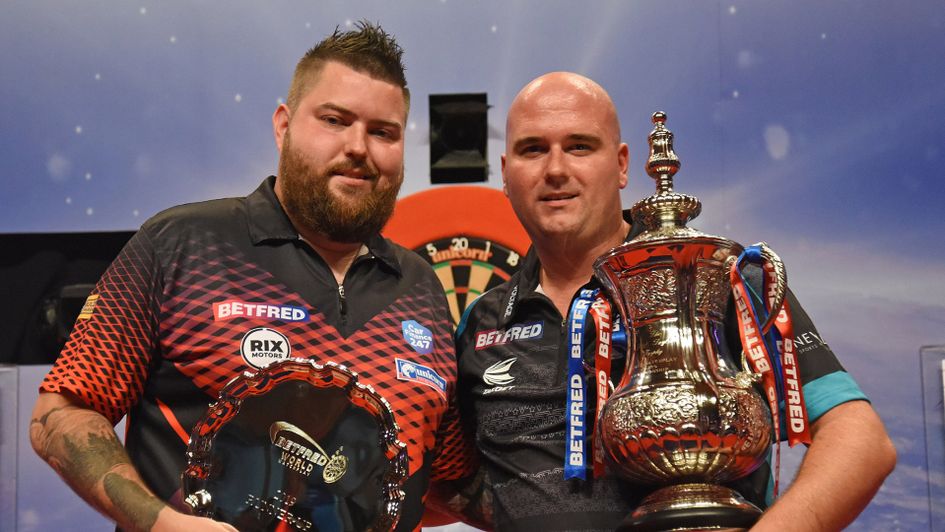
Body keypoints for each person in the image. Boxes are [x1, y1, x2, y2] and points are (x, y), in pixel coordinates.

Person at [30, 22, 473, 532]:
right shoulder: (183, 244)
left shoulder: (420, 287)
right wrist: (160, 523)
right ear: (284, 124)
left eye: (382, 131)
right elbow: (60, 413)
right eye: (334, 119)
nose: (358, 146)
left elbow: (446, 480)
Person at [454, 72, 897, 531]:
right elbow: (456, 480)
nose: (556, 169)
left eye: (580, 146)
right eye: (533, 149)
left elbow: (861, 441)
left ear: (622, 164)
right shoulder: (481, 321)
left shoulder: (717, 277)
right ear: (506, 174)